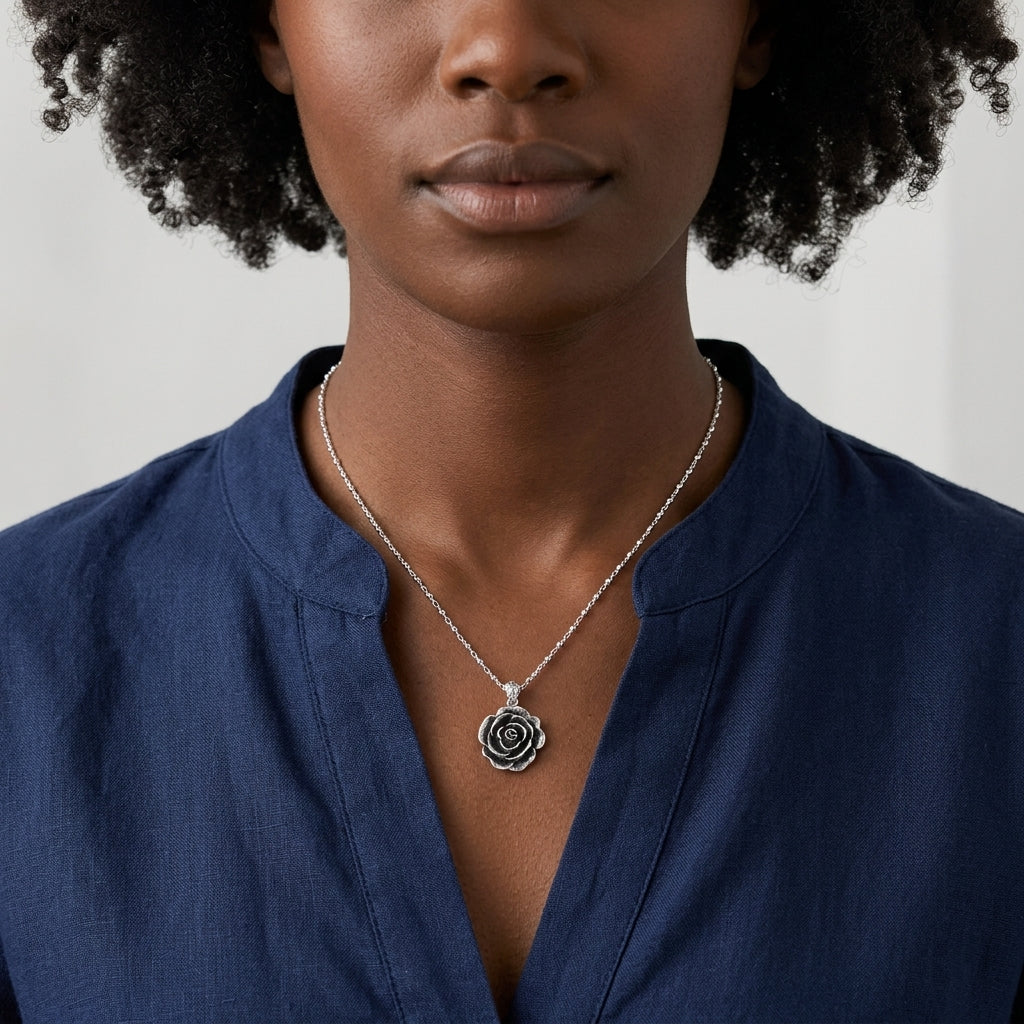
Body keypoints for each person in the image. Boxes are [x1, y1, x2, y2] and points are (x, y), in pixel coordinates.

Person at [1, 0, 1022, 1021]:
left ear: (755, 24)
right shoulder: (25, 664)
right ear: (267, 28)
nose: (507, 50)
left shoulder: (995, 652)